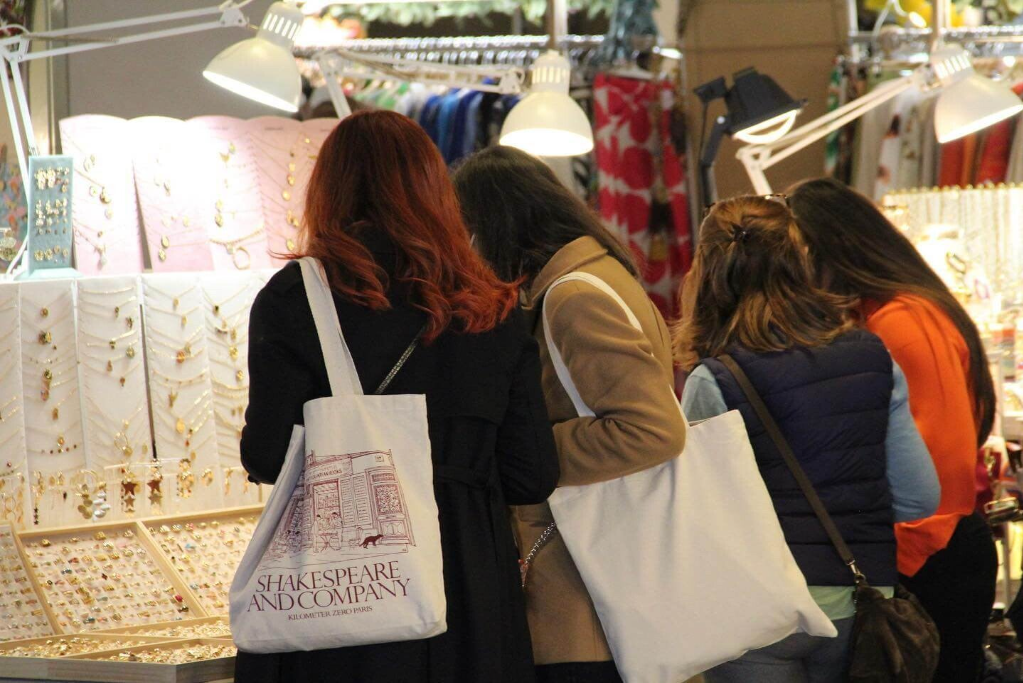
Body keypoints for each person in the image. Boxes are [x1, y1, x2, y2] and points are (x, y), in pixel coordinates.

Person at [237, 111, 560, 683]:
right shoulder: (494, 306)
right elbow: (531, 474)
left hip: (344, 593)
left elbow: (265, 458)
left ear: (329, 188)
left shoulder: (297, 299)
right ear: (436, 190)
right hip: (469, 594)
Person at [675, 195, 940, 683]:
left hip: (761, 612)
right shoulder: (872, 355)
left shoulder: (714, 380)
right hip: (863, 605)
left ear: (707, 273)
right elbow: (920, 496)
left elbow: (699, 524)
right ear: (802, 260)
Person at [454, 146, 687, 683]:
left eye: (467, 230)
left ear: (496, 225)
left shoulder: (572, 296)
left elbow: (651, 428)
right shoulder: (595, 274)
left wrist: (524, 451)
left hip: (587, 587)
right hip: (603, 572)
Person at [788, 177, 999, 683]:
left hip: (933, 557)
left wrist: (885, 570)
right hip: (924, 554)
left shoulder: (904, 320)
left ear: (827, 251)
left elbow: (942, 476)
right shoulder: (887, 316)